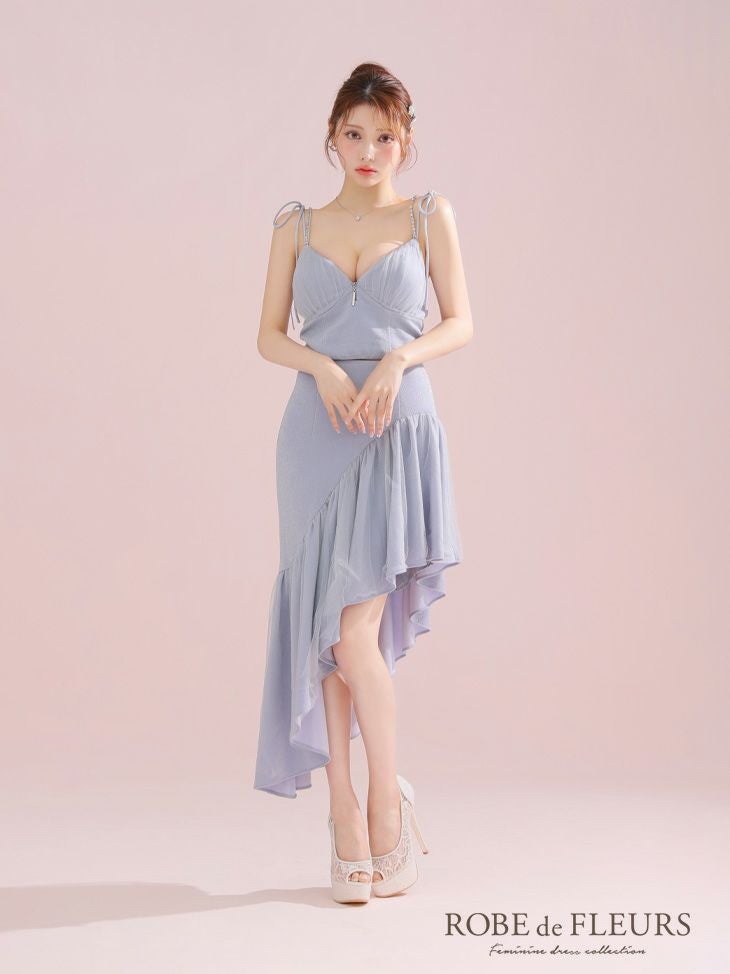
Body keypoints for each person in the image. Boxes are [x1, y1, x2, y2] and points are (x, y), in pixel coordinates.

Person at [254, 62, 473, 903]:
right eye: (355, 133)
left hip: (393, 430)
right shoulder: (296, 225)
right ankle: (343, 815)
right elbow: (269, 335)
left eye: (385, 135)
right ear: (332, 137)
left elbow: (462, 321)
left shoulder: (427, 216)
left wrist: (397, 359)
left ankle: (386, 801)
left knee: (356, 633)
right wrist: (321, 367)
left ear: (406, 141)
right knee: (327, 629)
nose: (369, 150)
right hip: (314, 437)